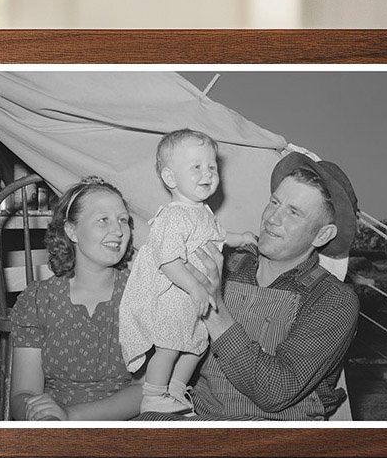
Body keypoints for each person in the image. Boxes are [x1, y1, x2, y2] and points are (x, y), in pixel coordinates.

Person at [188, 151, 361, 421]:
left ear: (322, 235)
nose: (272, 218)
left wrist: (214, 310)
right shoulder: (226, 266)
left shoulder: (333, 300)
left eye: (293, 213)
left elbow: (276, 391)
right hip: (201, 421)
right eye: (275, 202)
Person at [118, 129, 256, 414]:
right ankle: (154, 395)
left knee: (196, 346)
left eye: (212, 167)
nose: (207, 174)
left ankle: (176, 390)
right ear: (171, 178)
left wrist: (239, 237)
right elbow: (167, 261)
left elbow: (217, 235)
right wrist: (194, 287)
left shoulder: (202, 212)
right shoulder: (173, 215)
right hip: (174, 295)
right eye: (196, 167)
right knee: (168, 346)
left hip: (194, 299)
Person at [9, 176, 143, 422]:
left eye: (123, 220)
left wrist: (70, 416)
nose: (118, 231)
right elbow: (23, 393)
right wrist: (43, 417)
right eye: (103, 220)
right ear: (71, 230)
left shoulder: (141, 295)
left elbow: (147, 389)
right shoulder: (39, 300)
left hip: (128, 422)